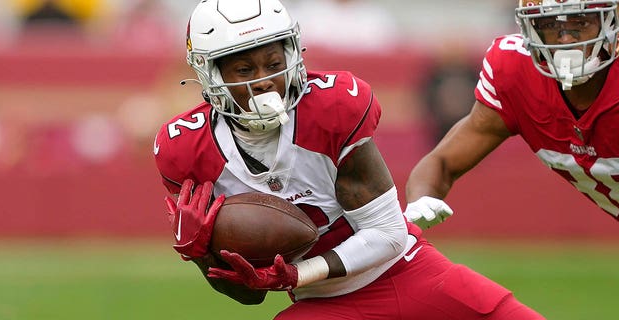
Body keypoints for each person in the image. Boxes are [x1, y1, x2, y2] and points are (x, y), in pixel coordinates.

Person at [153, 0, 545, 319]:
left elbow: (389, 235)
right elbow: (248, 297)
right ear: (211, 76)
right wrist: (201, 254)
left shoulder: (333, 107)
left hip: (408, 271)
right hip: (322, 304)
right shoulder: (183, 150)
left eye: (274, 64)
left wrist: (297, 273)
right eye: (243, 69)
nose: (264, 80)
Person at [405, 0, 619, 229]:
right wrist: (420, 201)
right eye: (550, 24)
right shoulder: (516, 73)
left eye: (582, 22)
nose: (565, 39)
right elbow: (441, 162)